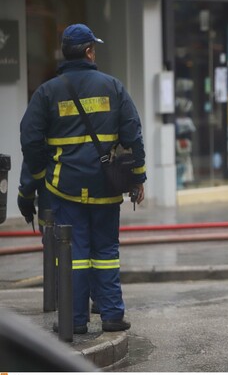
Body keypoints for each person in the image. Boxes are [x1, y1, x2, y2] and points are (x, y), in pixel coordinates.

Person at [20, 23, 146, 334]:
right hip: (106, 185)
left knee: (73, 254)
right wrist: (137, 178)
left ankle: (74, 321)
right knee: (105, 252)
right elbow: (133, 134)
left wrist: (33, 183)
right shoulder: (113, 87)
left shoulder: (47, 92)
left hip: (64, 187)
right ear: (89, 51)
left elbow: (31, 140)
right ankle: (112, 315)